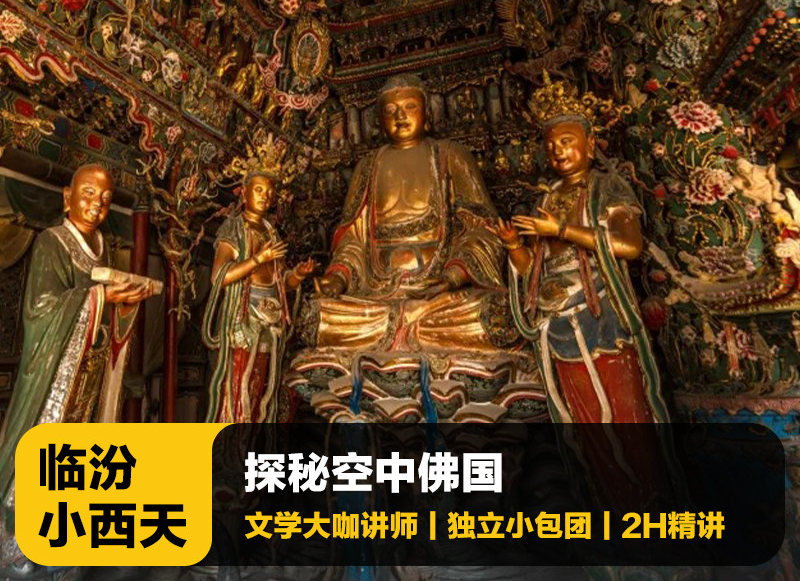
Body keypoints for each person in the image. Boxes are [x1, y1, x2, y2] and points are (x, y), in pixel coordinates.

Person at [0, 164, 157, 552]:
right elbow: (40, 308)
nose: (96, 205)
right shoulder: (52, 242)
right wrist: (101, 296)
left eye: (105, 199)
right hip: (55, 375)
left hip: (90, 374)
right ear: (67, 197)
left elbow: (105, 311)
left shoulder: (103, 248)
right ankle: (21, 539)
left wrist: (123, 302)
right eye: (88, 194)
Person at [498, 73, 669, 423]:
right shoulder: (546, 199)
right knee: (583, 421)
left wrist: (562, 229)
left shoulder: (607, 186)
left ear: (590, 144)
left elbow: (629, 245)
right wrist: (514, 245)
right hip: (555, 321)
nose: (557, 150)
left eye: (566, 141)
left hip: (601, 315)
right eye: (550, 145)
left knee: (625, 412)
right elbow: (533, 271)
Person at [307, 73, 517, 352]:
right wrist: (338, 278)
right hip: (376, 294)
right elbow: (353, 240)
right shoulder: (368, 167)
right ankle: (409, 329)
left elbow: (482, 229)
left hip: (437, 292)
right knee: (318, 316)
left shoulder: (449, 155)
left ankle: (404, 330)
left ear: (427, 113)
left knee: (490, 315)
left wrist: (453, 276)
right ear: (379, 121)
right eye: (390, 110)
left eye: (410, 107)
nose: (400, 116)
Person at [202, 149, 315, 423]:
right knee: (236, 392)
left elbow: (280, 282)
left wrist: (297, 275)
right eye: (259, 190)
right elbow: (219, 276)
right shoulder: (234, 228)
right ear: (244, 192)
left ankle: (250, 442)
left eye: (270, 192)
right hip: (242, 319)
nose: (265, 196)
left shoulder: (270, 231)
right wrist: (257, 259)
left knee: (260, 392)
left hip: (270, 321)